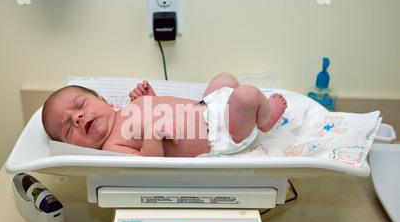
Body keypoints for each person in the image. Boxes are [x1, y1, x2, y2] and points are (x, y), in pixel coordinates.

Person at [41, 73, 287, 157]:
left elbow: (166, 111)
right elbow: (147, 163)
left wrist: (151, 97)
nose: (77, 118)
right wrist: (153, 133)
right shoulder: (111, 147)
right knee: (245, 95)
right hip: (222, 134)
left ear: (103, 100)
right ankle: (264, 121)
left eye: (80, 105)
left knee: (224, 79)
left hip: (207, 107)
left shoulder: (126, 109)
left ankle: (249, 111)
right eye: (68, 128)